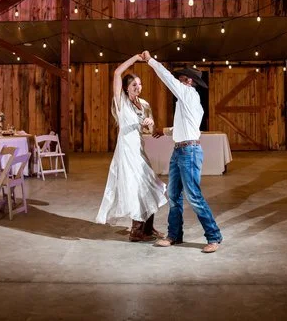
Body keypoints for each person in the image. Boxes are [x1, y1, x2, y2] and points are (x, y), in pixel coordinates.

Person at [141, 50, 222, 253]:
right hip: (180, 151)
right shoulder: (187, 102)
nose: (179, 80)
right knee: (174, 195)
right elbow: (185, 128)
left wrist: (150, 60)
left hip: (189, 152)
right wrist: (165, 130)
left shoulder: (187, 93)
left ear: (189, 81)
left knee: (193, 196)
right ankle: (174, 236)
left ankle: (214, 237)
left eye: (182, 78)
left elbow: (167, 78)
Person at [95, 53, 167, 242]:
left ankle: (148, 228)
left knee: (150, 186)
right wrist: (136, 58)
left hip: (139, 150)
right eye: (134, 85)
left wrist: (150, 124)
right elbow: (117, 73)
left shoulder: (144, 104)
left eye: (140, 84)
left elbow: (150, 131)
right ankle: (136, 232)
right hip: (126, 152)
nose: (138, 87)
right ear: (126, 89)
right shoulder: (121, 103)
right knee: (136, 188)